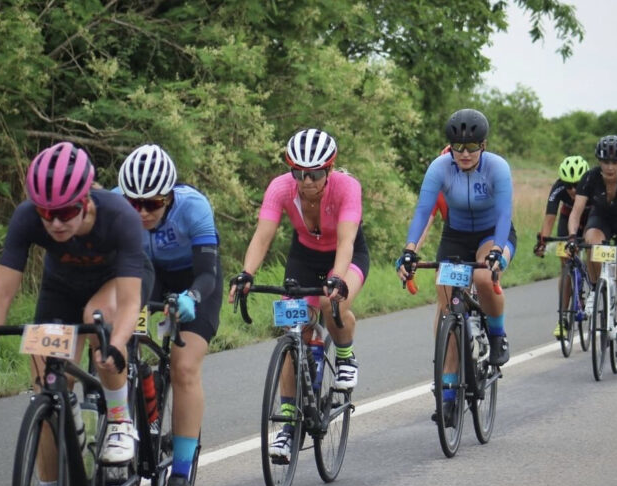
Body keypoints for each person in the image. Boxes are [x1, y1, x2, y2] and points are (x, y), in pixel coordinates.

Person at [0, 142, 147, 486]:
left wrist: (116, 347)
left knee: (97, 320)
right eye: (47, 213)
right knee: (46, 387)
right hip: (60, 288)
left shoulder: (119, 216)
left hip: (116, 285)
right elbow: (3, 289)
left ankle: (119, 420)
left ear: (86, 201)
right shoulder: (28, 217)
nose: (56, 222)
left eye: (66, 211)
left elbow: (132, 303)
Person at [228, 128, 369, 460]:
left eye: (315, 173)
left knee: (329, 302)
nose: (306, 181)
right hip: (303, 256)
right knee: (296, 329)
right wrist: (247, 273)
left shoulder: (348, 188)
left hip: (345, 255)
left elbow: (347, 241)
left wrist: (336, 279)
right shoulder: (280, 189)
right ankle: (288, 427)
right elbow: (263, 235)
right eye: (299, 173)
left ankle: (346, 356)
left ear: (329, 170)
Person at [117, 144, 221, 486]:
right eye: (134, 204)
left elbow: (208, 271)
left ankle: (180, 473)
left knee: (183, 367)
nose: (142, 212)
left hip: (192, 281)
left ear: (170, 196)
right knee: (117, 350)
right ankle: (131, 404)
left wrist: (192, 295)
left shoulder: (193, 207)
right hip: (143, 277)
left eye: (153, 204)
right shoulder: (114, 205)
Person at [397, 108, 515, 374]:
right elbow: (423, 211)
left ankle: (497, 335)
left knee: (485, 278)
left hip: (492, 232)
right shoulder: (440, 167)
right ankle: (448, 386)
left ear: (483, 146)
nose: (464, 153)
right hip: (456, 235)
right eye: (458, 146)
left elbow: (505, 213)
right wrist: (409, 251)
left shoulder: (497, 167)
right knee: (447, 301)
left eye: (471, 146)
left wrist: (497, 250)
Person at [567, 135, 617, 361]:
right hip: (601, 219)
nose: (610, 167)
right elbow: (576, 211)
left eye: (615, 162)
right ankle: (594, 289)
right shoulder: (590, 177)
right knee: (590, 241)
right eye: (605, 162)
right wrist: (573, 236)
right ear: (599, 161)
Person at [533, 155, 590, 339]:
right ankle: (563, 318)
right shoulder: (558, 187)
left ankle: (594, 288)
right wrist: (543, 242)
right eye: (568, 185)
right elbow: (550, 216)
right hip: (567, 219)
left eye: (577, 185)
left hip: (590, 218)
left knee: (593, 251)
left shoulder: (592, 184)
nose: (573, 190)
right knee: (565, 264)